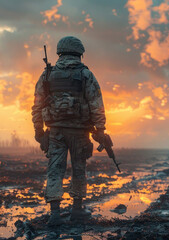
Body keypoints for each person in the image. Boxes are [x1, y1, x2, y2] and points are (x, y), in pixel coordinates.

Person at [31, 36, 106, 226]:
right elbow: (96, 104)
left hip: (56, 132)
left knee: (55, 171)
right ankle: (77, 210)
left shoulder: (48, 75)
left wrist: (39, 132)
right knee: (79, 170)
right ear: (79, 54)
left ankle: (55, 214)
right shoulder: (86, 74)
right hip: (80, 132)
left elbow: (37, 105)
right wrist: (100, 129)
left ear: (60, 53)